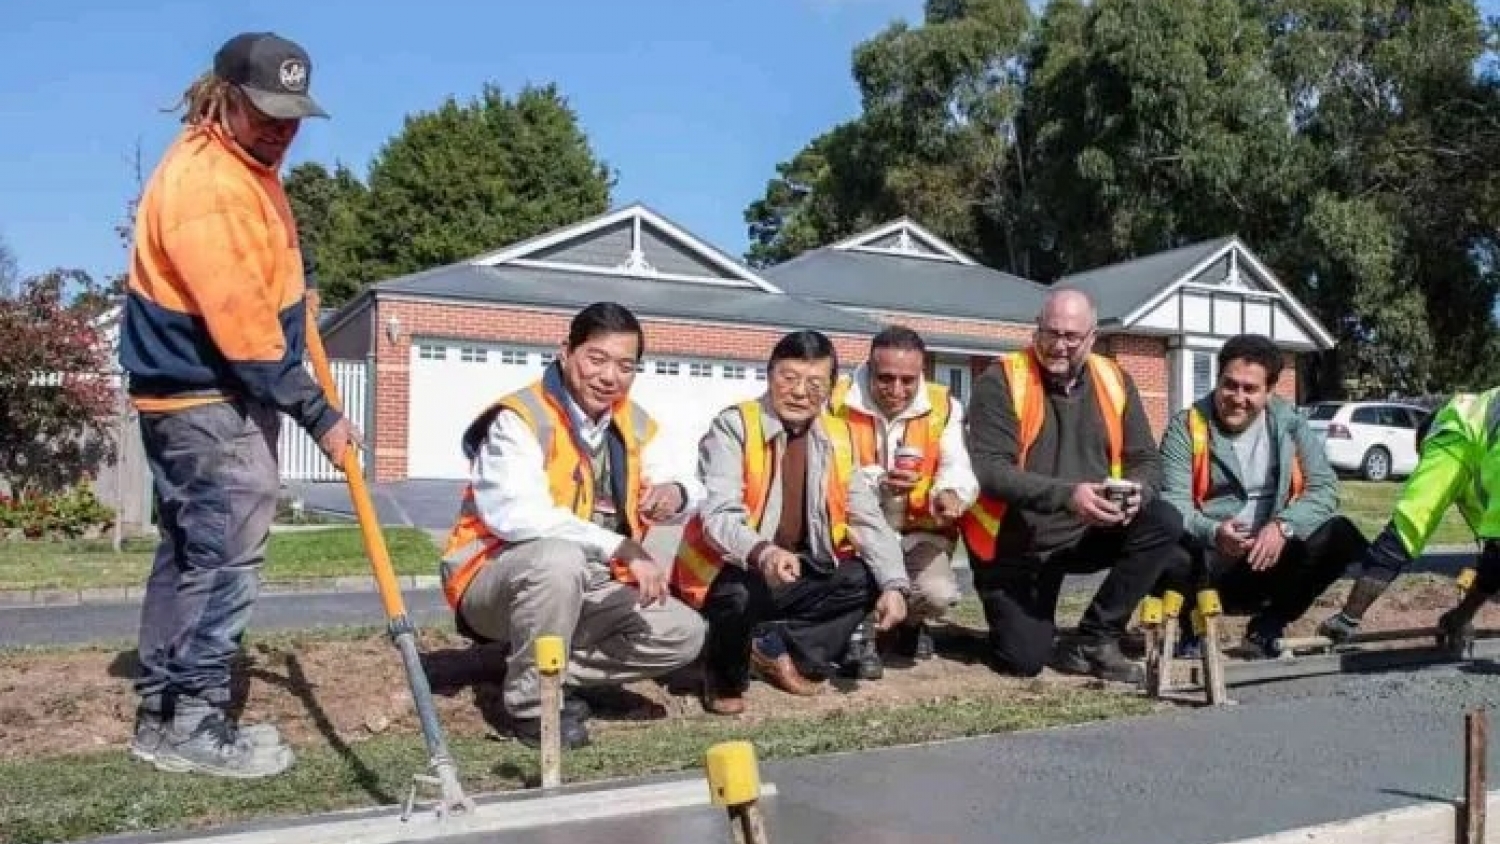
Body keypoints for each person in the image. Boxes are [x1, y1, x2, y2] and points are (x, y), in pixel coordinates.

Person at [119, 32, 357, 778]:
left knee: (192, 554)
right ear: (222, 97)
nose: (281, 128)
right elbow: (247, 336)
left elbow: (264, 283)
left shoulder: (242, 166)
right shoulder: (209, 187)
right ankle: (192, 718)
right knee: (225, 552)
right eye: (266, 111)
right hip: (204, 398)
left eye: (292, 115)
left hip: (195, 396)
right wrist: (320, 415)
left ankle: (162, 719)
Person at [440, 302, 706, 749]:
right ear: (566, 352)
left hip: (588, 584)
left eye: (626, 366)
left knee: (683, 635)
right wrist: (622, 547)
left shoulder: (634, 423)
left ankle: (537, 664)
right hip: (493, 580)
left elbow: (685, 483)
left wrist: (675, 493)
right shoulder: (518, 418)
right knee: (557, 559)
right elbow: (517, 515)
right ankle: (531, 705)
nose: (609, 377)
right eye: (596, 359)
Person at [671, 330, 909, 715]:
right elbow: (718, 514)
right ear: (769, 376)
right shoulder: (734, 427)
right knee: (740, 595)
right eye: (789, 378)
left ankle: (775, 647)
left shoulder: (838, 436)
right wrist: (762, 551)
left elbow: (867, 519)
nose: (800, 392)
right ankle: (723, 677)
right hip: (730, 568)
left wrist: (895, 585)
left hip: (795, 568)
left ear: (832, 389)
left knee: (864, 577)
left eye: (815, 382)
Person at [962, 289, 1185, 683]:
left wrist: (1137, 492)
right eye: (1051, 333)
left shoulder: (1114, 379)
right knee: (1024, 660)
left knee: (1163, 520)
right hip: (1016, 545)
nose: (1058, 346)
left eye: (1071, 337)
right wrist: (1069, 496)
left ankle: (1096, 637)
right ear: (1036, 329)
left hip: (1087, 531)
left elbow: (1147, 460)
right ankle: (983, 633)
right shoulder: (1000, 381)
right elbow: (989, 470)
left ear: (1092, 337)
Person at [1158, 334, 1365, 657]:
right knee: (1165, 538)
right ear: (1217, 380)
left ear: (1269, 391)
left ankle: (1269, 625)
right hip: (1210, 563)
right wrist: (1213, 531)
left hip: (1270, 559)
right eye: (1230, 385)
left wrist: (1283, 526)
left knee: (1340, 534)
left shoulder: (1291, 425)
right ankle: (1192, 630)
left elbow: (1324, 489)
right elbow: (1174, 501)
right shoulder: (1186, 427)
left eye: (1250, 389)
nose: (1237, 398)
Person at [829, 325, 977, 667]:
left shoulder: (944, 405)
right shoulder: (835, 401)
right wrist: (878, 483)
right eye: (886, 378)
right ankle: (859, 632)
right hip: (854, 533)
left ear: (921, 373)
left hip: (917, 531)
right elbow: (831, 473)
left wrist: (951, 493)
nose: (897, 390)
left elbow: (957, 464)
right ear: (868, 366)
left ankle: (911, 624)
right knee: (854, 580)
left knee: (938, 593)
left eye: (908, 380)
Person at [1317, 390, 1500, 646]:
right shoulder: (1487, 445)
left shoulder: (1453, 430)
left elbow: (1407, 529)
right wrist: (1463, 615)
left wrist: (1348, 618)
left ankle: (1347, 619)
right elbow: (1495, 556)